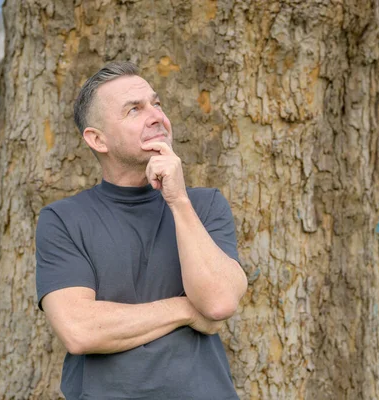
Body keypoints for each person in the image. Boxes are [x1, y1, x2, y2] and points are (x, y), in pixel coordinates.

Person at [35, 61, 248, 400]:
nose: (156, 116)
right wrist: (187, 310)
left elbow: (219, 302)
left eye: (156, 103)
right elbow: (79, 330)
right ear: (97, 139)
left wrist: (177, 199)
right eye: (134, 109)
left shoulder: (205, 206)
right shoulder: (63, 219)